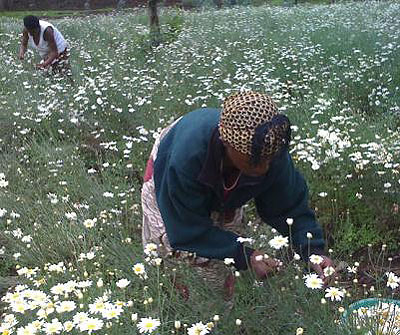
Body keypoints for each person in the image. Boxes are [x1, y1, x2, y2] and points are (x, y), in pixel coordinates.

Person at [141, 91, 333, 299]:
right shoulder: (184, 161)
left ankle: (218, 311)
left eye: (269, 159)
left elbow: (290, 207)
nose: (263, 169)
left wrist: (313, 251)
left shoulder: (268, 148)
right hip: (170, 170)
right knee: (168, 253)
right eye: (254, 161)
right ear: (227, 144)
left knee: (219, 269)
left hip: (222, 176)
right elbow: (185, 230)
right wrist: (247, 256)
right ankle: (169, 304)